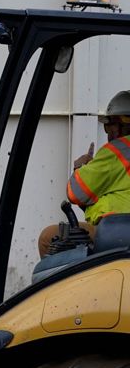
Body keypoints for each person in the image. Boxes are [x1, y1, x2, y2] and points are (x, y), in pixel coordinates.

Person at [34, 91, 130, 278]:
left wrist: (80, 167)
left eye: (109, 125)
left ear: (121, 124)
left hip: (116, 235)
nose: (109, 132)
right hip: (119, 233)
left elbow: (76, 192)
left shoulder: (119, 150)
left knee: (48, 237)